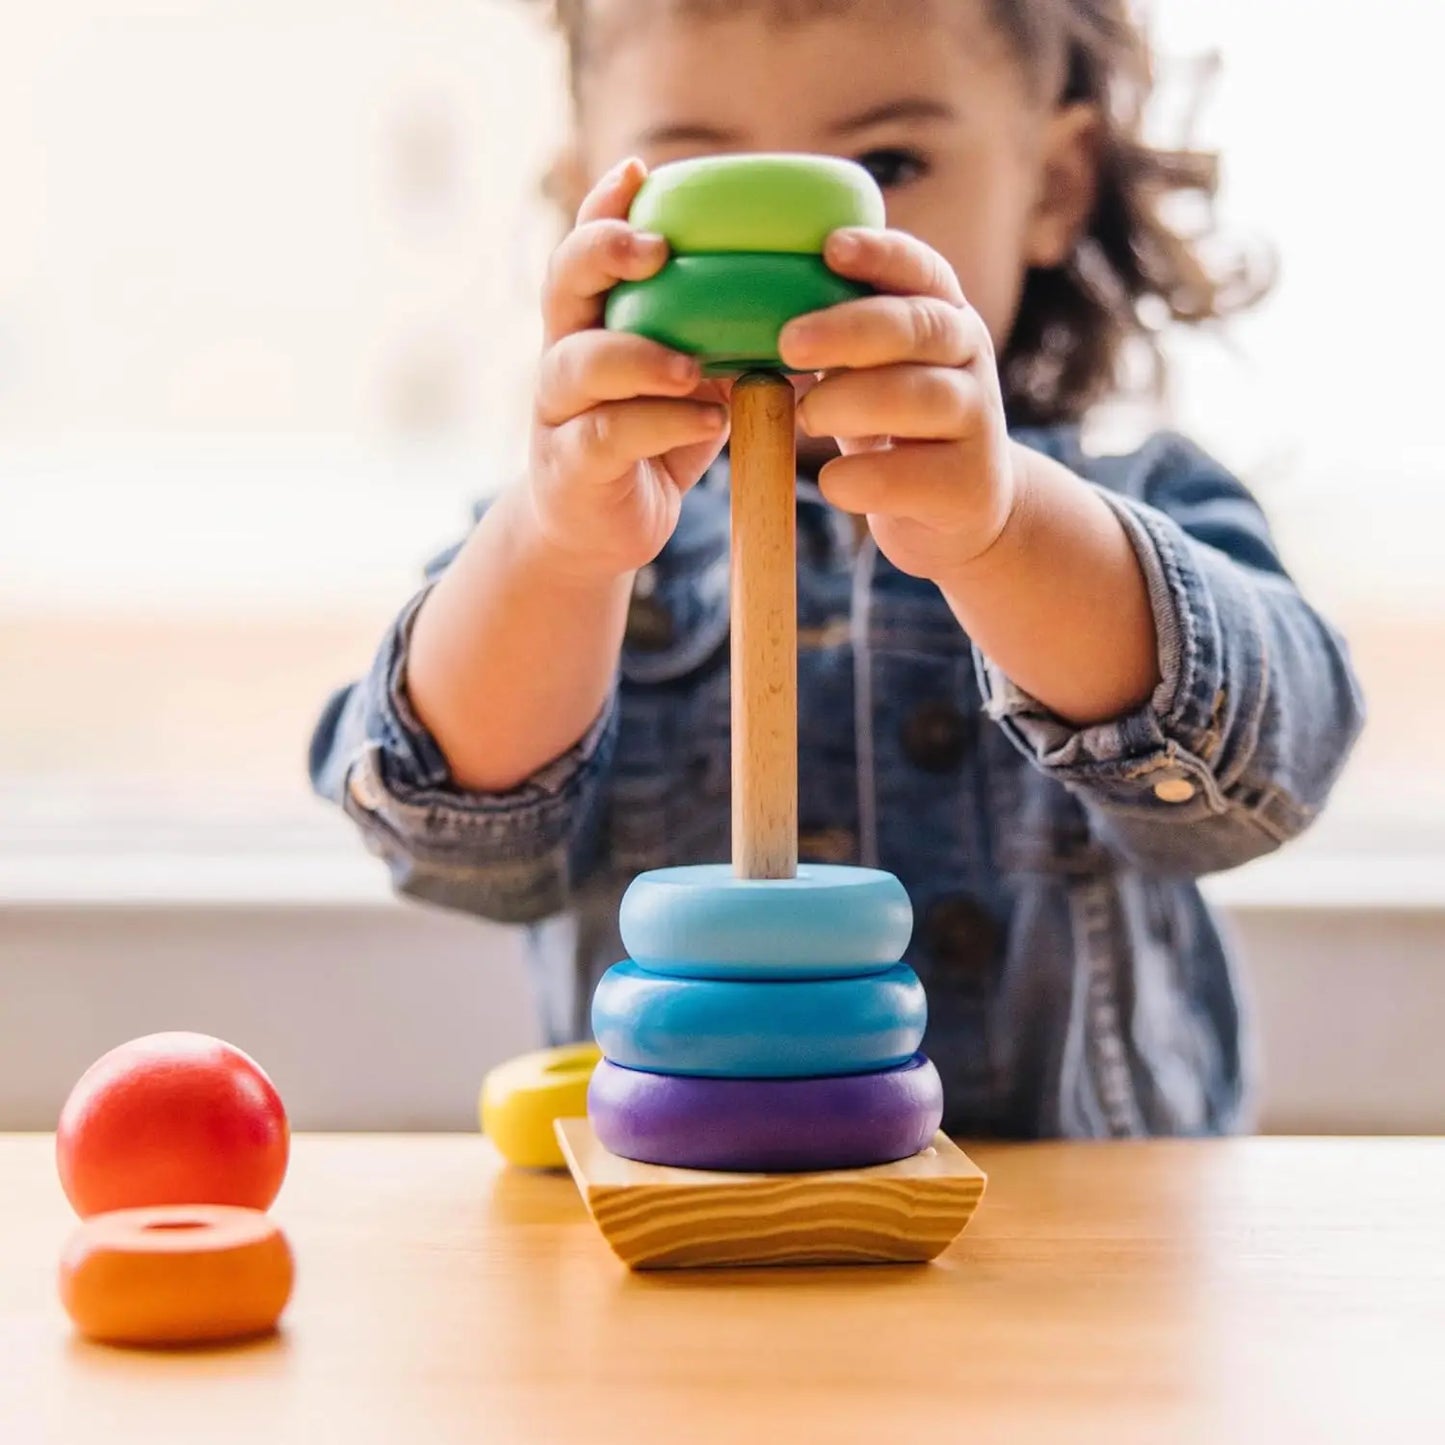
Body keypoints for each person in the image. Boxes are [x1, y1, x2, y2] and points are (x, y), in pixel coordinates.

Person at [309, 0, 1365, 1138]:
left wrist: (1003, 533)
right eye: (691, 174)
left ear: (1049, 188)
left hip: (1068, 1260)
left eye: (888, 162)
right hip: (688, 1220)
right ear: (588, 203)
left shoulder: (1130, 502)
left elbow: (1271, 768)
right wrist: (557, 553)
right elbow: (446, 840)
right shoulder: (567, 537)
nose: (793, 255)